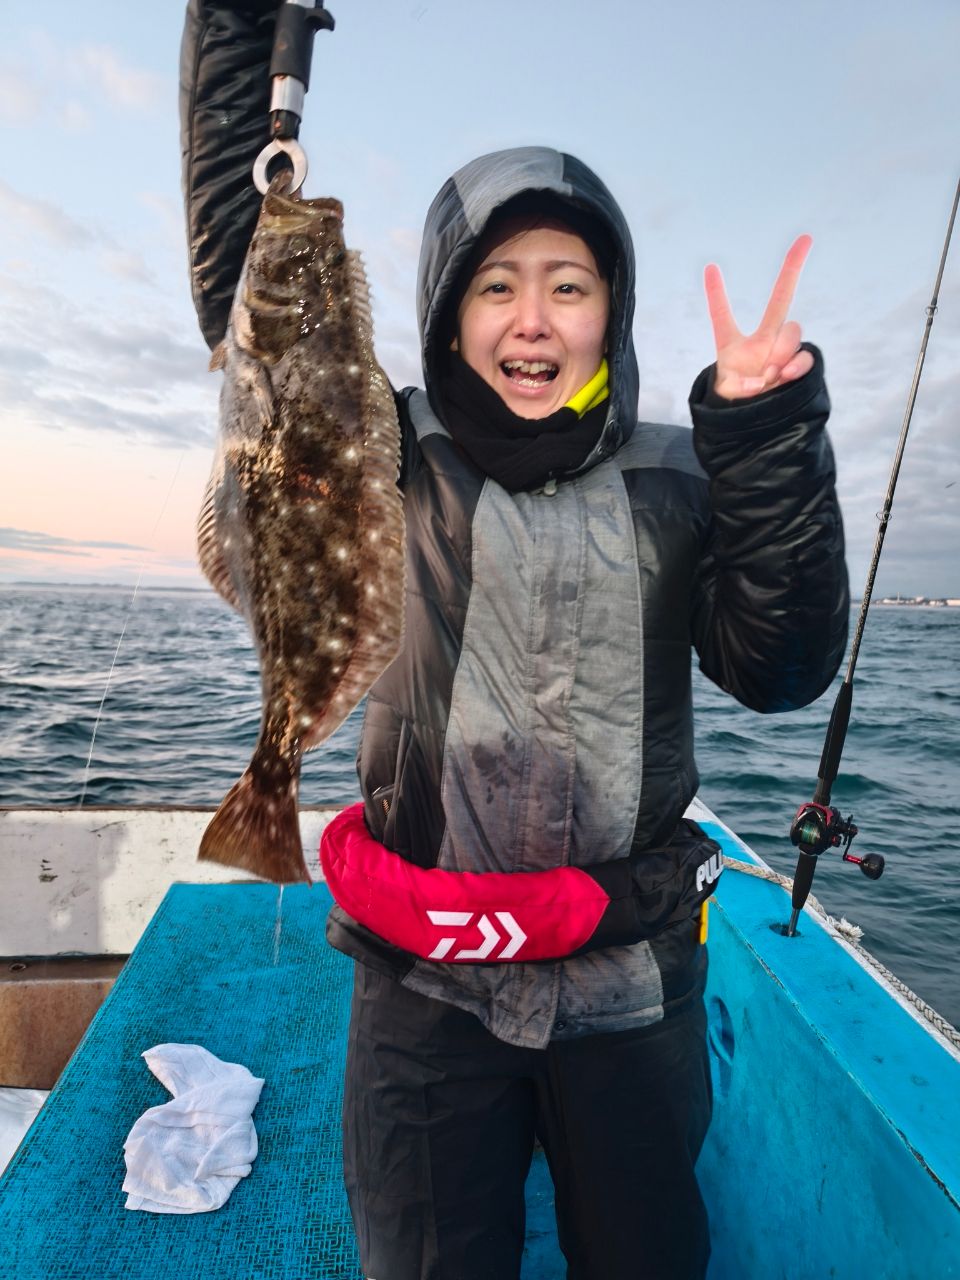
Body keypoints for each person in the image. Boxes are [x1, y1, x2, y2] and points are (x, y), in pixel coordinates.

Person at [180, 7, 848, 1278]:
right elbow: (247, 293)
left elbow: (780, 665)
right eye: (497, 285)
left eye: (569, 285)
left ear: (613, 313)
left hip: (627, 984)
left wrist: (767, 444)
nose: (533, 320)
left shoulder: (679, 473)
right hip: (423, 991)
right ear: (447, 309)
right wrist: (239, 52)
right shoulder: (392, 449)